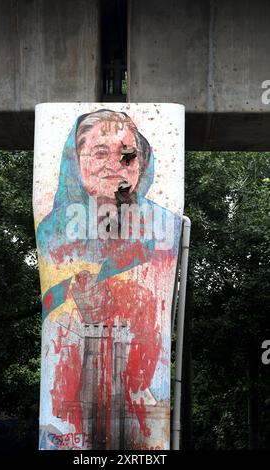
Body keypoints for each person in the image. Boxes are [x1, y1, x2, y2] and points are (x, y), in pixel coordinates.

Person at [37, 109, 181, 450]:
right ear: (77, 159)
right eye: (100, 152)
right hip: (71, 393)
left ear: (142, 163)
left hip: (142, 390)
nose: (114, 163)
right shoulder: (52, 231)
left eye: (127, 154)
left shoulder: (166, 227)